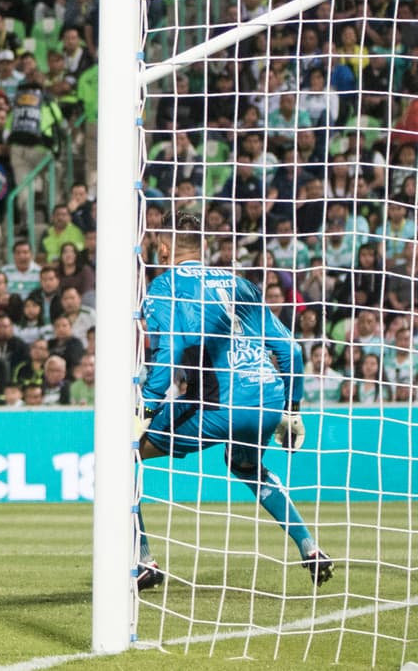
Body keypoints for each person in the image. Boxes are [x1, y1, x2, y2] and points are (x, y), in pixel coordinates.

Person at [135, 212, 332, 592]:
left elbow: (167, 358)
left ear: (162, 247)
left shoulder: (163, 287)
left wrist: (144, 410)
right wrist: (292, 409)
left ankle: (144, 561)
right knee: (244, 464)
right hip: (268, 395)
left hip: (216, 403)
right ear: (203, 247)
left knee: (123, 457)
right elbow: (289, 349)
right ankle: (309, 546)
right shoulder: (240, 284)